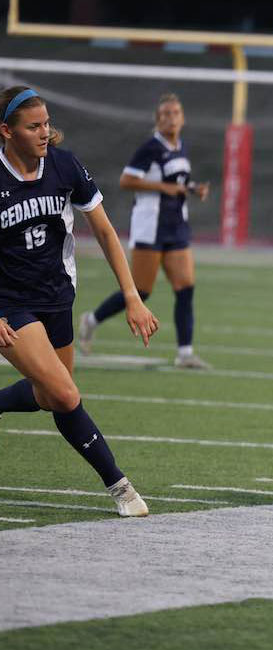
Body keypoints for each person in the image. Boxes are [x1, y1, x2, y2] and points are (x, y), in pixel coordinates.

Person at [0, 86, 159, 516]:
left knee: (52, 395)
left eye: (46, 123)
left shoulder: (65, 166)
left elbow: (106, 232)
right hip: (10, 305)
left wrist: (132, 296)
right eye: (33, 127)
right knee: (68, 395)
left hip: (57, 298)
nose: (44, 133)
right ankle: (121, 488)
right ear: (7, 132)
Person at [78, 93, 211, 369]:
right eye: (164, 114)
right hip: (151, 227)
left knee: (185, 288)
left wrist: (193, 188)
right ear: (157, 120)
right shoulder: (150, 147)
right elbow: (126, 180)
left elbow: (176, 182)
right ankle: (91, 320)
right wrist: (165, 188)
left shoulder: (181, 146)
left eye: (175, 113)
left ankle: (185, 353)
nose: (170, 118)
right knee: (141, 291)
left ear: (183, 117)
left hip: (176, 226)